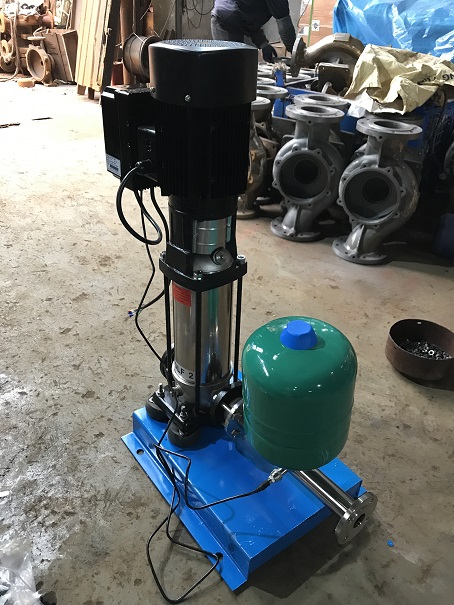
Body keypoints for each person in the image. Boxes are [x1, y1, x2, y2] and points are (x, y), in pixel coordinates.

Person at [211, 0, 296, 63]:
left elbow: (248, 19)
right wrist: (295, 53)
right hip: (227, 22)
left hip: (228, 17)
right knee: (234, 68)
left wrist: (263, 43)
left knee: (242, 67)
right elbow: (285, 28)